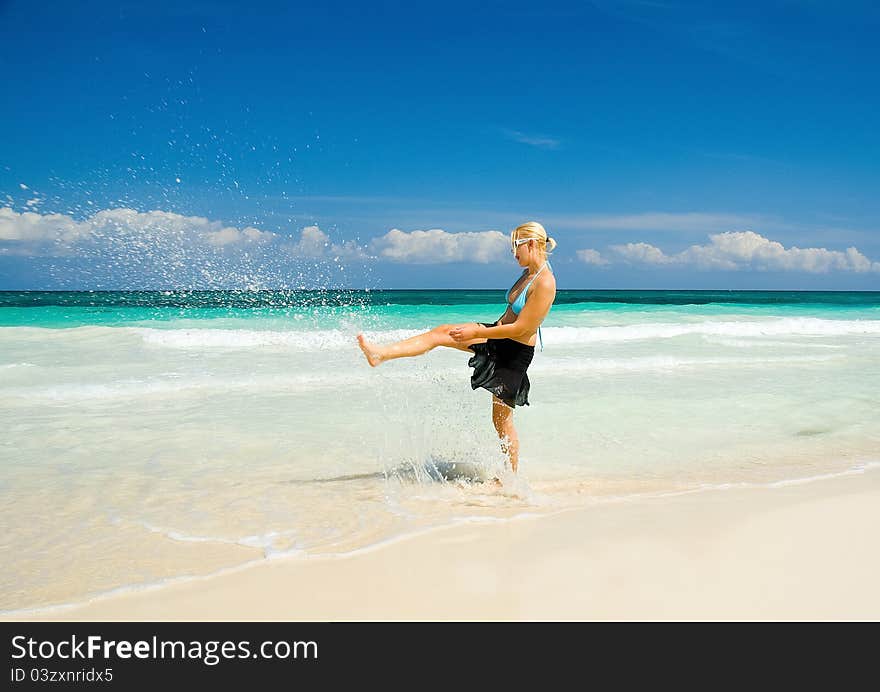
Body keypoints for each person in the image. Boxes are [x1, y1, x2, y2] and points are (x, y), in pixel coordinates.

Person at [357, 221, 557, 474]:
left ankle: (510, 479)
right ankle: (381, 354)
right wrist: (482, 332)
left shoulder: (545, 282)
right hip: (495, 336)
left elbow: (521, 329)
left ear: (530, 243)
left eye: (515, 247)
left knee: (502, 421)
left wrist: (478, 332)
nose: (513, 253)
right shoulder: (527, 273)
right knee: (442, 332)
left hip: (514, 352)